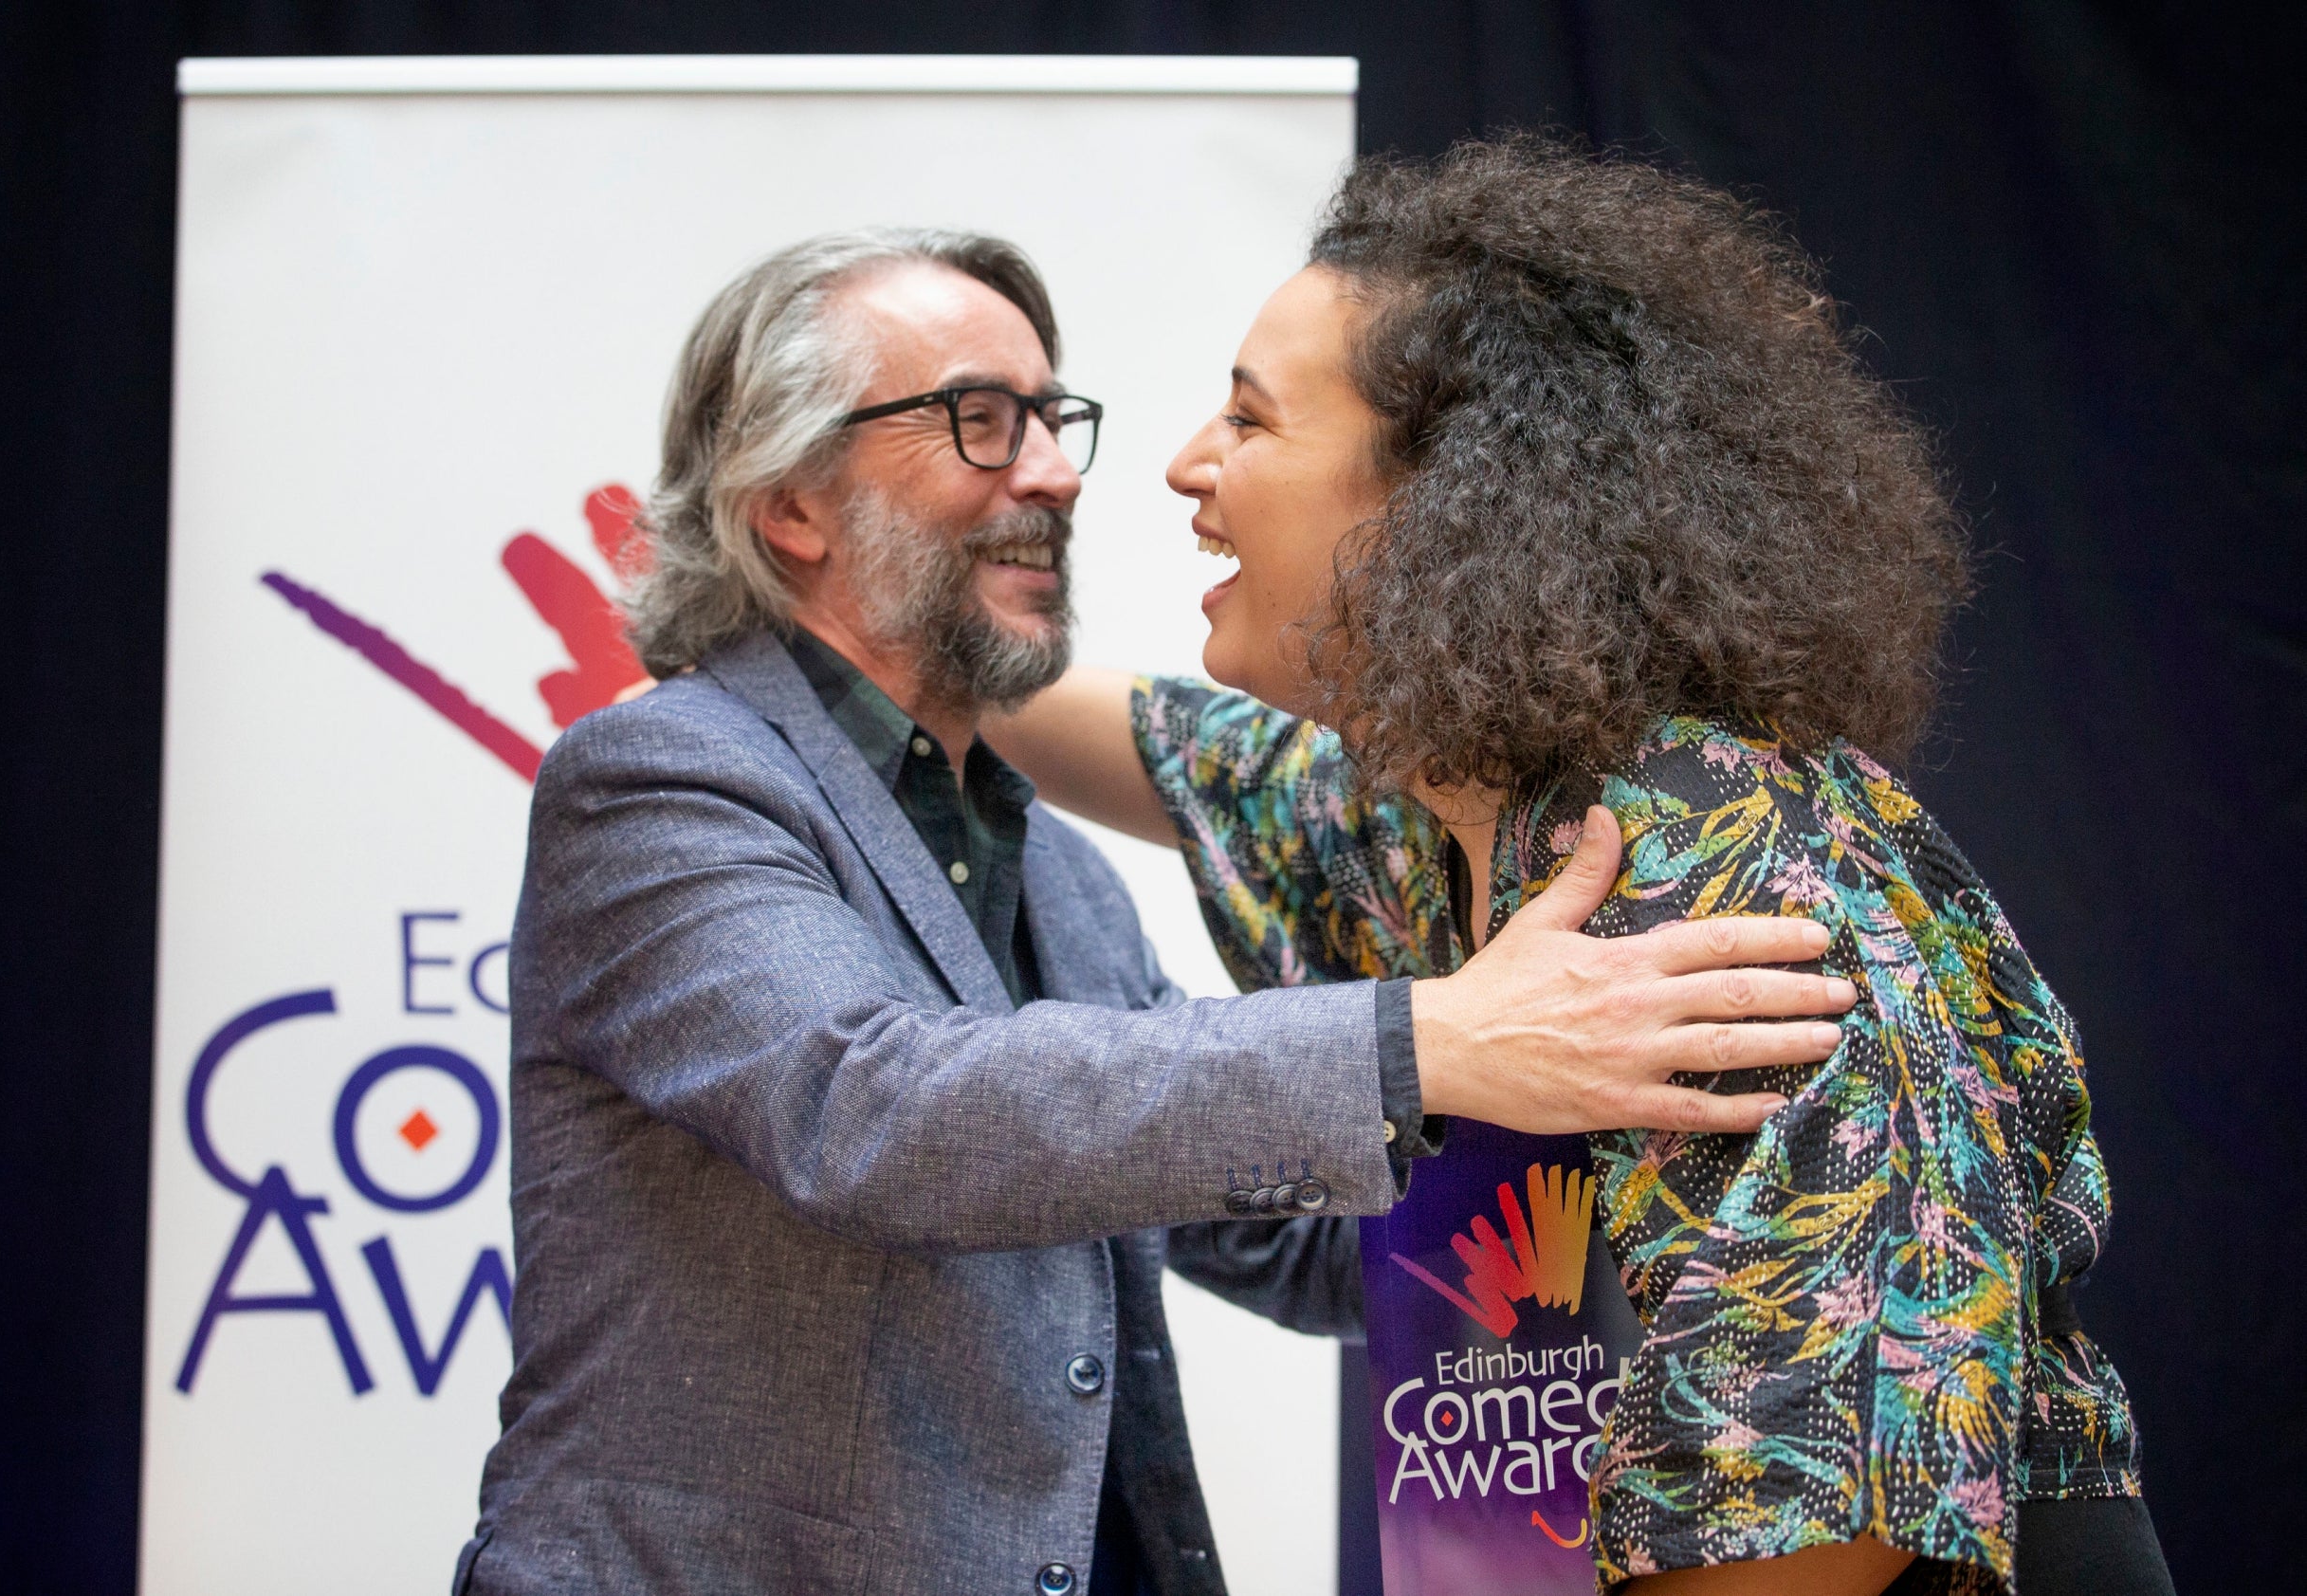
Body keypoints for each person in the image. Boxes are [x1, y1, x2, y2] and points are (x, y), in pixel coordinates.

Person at [453, 227, 1855, 1596]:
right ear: (792, 505)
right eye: (980, 421)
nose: (1060, 476)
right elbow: (874, 1110)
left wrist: (1665, 1177)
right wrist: (1427, 1040)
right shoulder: (664, 775)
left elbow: (1269, 1231)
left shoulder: (1045, 862)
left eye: (1056, 419)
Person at [988, 138, 2172, 1596]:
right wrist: (831, 619)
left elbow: (1802, 1537)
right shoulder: (1437, 812)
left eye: (1250, 419)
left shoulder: (1711, 872)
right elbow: (1154, 744)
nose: (1184, 463)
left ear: (1442, 498)